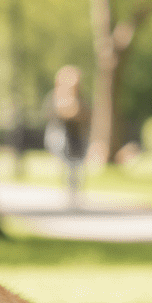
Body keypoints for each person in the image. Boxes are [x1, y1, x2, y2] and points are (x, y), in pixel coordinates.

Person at [44, 66, 90, 207]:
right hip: (61, 137)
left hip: (76, 138)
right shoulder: (55, 97)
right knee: (68, 162)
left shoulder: (81, 99)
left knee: (76, 165)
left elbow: (85, 116)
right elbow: (53, 114)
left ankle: (74, 194)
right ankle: (68, 193)